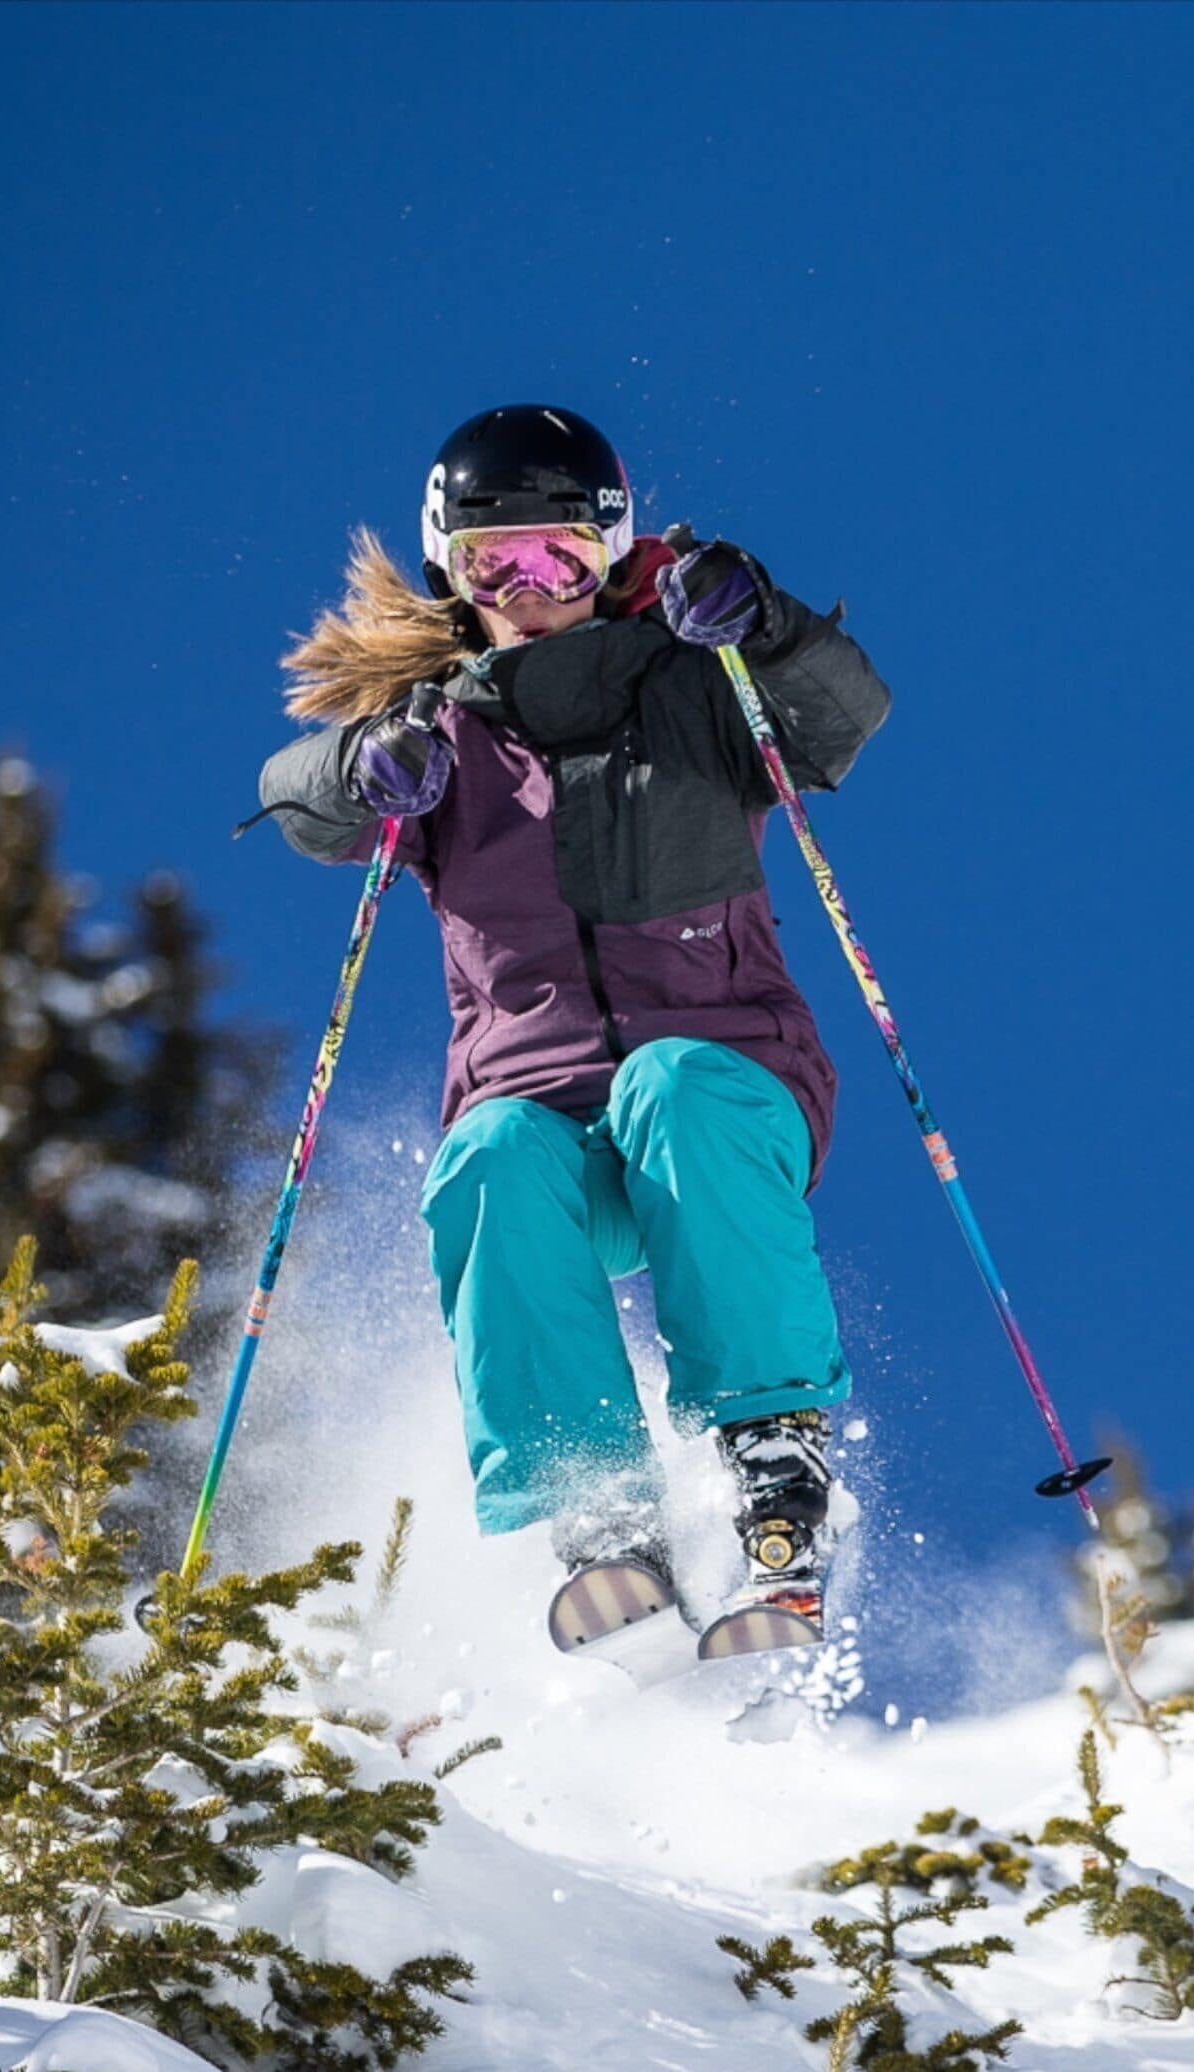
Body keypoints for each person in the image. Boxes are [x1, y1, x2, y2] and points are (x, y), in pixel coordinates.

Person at [255, 404, 888, 1664]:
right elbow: (298, 801)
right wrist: (364, 763)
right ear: (452, 573)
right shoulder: (441, 737)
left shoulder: (696, 685)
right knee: (490, 1155)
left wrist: (760, 621)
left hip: (726, 1094)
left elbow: (843, 714)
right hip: (547, 1126)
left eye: (562, 556)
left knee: (671, 1084)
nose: (532, 589)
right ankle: (602, 1514)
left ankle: (775, 1462)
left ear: (612, 553)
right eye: (497, 565)